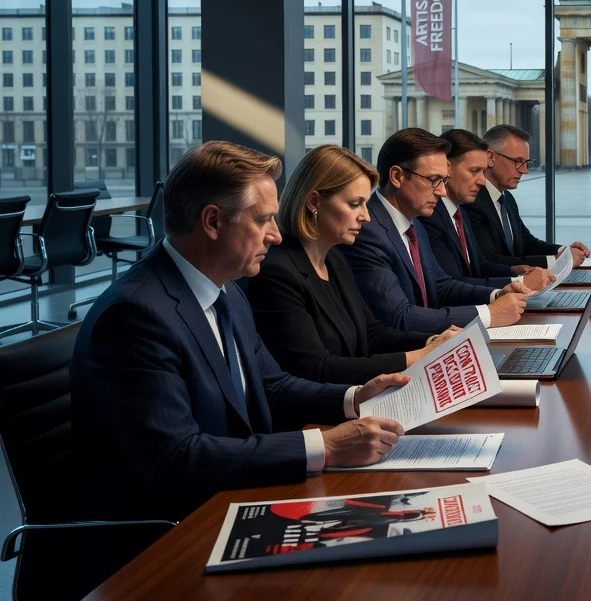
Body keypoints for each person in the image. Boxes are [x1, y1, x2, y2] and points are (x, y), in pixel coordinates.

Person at [71, 141, 409, 522]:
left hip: (235, 495)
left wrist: (354, 399)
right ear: (213, 222)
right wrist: (324, 445)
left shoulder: (225, 288)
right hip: (166, 535)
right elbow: (178, 458)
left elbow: (272, 385)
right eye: (263, 220)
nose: (276, 236)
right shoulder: (135, 315)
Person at [247, 145, 464, 384]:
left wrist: (433, 341)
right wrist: (420, 356)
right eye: (354, 204)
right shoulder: (277, 272)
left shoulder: (335, 257)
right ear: (313, 202)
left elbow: (373, 335)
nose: (366, 216)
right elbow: (316, 368)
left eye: (365, 203)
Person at [340, 128, 529, 333]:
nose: (441, 191)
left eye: (444, 180)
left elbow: (442, 286)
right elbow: (400, 317)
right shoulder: (366, 232)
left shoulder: (414, 223)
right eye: (433, 180)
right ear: (397, 176)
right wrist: (489, 314)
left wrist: (496, 295)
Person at [422, 129, 554, 292]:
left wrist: (514, 271)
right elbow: (451, 285)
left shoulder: (459, 212)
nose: (482, 181)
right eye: (474, 171)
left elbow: (480, 264)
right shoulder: (430, 216)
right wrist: (519, 282)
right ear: (446, 169)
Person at [468, 124, 591, 269]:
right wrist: (555, 261)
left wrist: (563, 252)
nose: (525, 171)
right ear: (490, 157)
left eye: (526, 163)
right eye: (518, 162)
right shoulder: (471, 201)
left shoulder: (507, 198)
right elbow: (491, 261)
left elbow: (527, 243)